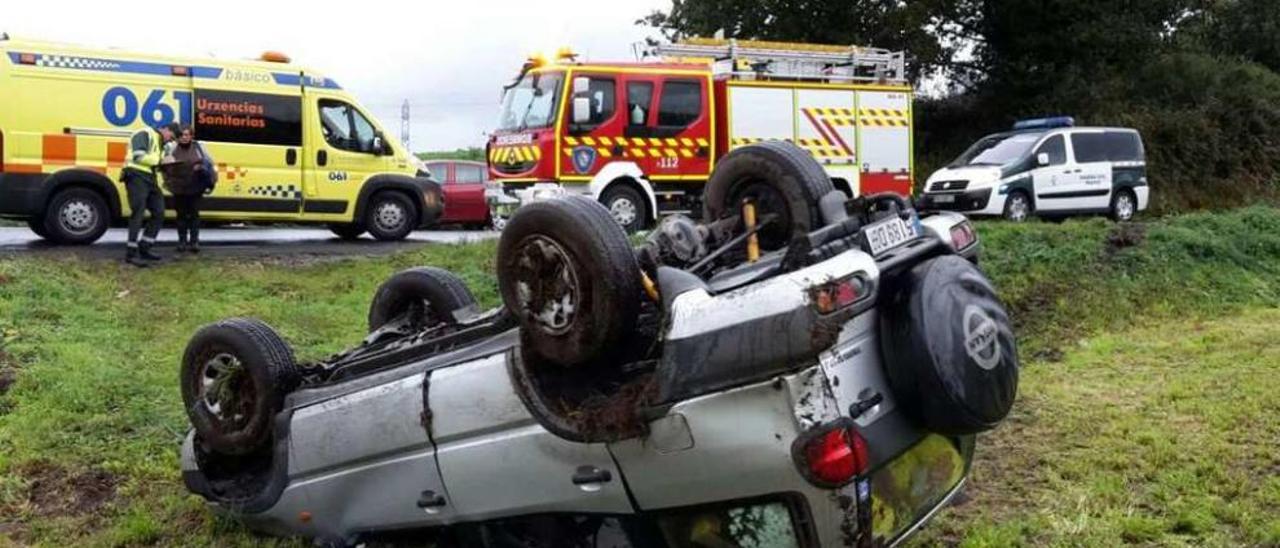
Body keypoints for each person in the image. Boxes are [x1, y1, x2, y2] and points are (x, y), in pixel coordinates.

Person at [121, 122, 178, 267]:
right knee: (138, 212)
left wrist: (168, 163)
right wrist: (160, 160)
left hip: (150, 178)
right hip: (135, 175)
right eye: (170, 137)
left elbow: (157, 163)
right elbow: (138, 156)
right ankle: (131, 253)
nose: (170, 141)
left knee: (159, 212)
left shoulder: (162, 143)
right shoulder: (144, 133)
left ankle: (145, 247)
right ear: (165, 129)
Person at [162, 125, 214, 253]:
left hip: (196, 187)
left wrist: (201, 168)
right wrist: (168, 179)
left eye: (187, 135)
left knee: (194, 215)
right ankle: (182, 242)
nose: (184, 138)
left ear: (191, 136)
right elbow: (165, 165)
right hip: (179, 187)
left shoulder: (199, 147)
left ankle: (194, 242)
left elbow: (209, 162)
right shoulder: (172, 147)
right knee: (181, 216)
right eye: (182, 135)